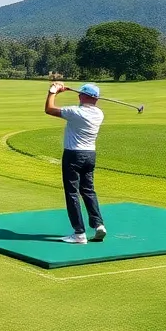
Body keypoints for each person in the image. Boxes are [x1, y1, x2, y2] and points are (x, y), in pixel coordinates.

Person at [44, 81, 107, 244]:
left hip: (73, 155)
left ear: (85, 96)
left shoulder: (75, 112)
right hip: (90, 155)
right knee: (88, 191)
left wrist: (53, 91)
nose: (78, 95)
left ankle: (79, 233)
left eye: (80, 93)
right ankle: (98, 225)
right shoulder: (99, 113)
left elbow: (49, 109)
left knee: (72, 193)